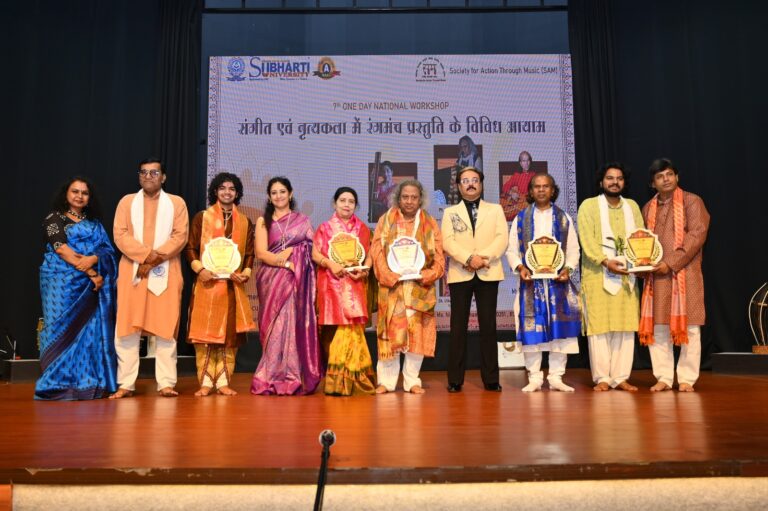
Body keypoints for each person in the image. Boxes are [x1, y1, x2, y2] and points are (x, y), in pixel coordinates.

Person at [111, 157, 189, 398]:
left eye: (154, 173)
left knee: (165, 327)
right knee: (127, 328)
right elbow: (120, 235)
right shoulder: (126, 202)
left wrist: (153, 260)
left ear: (163, 177)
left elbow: (180, 237)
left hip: (166, 271)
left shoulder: (176, 203)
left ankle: (166, 382)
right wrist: (145, 258)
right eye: (144, 172)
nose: (148, 176)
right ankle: (126, 383)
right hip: (133, 272)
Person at [35, 177, 118, 400]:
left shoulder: (95, 225)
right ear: (66, 194)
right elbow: (61, 249)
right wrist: (90, 272)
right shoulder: (54, 218)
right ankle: (55, 383)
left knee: (88, 334)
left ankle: (86, 382)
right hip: (60, 282)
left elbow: (107, 252)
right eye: (75, 191)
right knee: (59, 330)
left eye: (84, 193)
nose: (79, 196)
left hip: (89, 284)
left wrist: (93, 259)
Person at [506, 172, 581, 392]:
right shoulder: (521, 218)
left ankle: (556, 377)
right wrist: (520, 268)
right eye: (537, 186)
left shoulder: (563, 218)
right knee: (531, 326)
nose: (541, 190)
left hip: (558, 283)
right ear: (530, 191)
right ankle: (535, 377)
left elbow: (574, 250)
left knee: (560, 329)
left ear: (552, 190)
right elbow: (512, 250)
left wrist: (568, 269)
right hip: (531, 284)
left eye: (545, 186)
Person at [640, 158, 709, 392]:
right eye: (660, 176)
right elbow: (641, 243)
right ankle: (664, 377)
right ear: (653, 183)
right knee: (658, 326)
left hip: (684, 274)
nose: (666, 179)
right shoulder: (647, 209)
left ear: (677, 177)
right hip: (656, 277)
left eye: (669, 174)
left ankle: (687, 378)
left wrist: (669, 263)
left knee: (689, 326)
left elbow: (696, 236)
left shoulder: (692, 201)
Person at [370, 180, 444, 394]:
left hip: (419, 288)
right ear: (398, 198)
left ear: (420, 199)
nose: (409, 201)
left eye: (414, 197)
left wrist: (425, 275)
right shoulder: (386, 220)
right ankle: (386, 381)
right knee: (390, 335)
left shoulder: (430, 223)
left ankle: (412, 381)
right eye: (405, 197)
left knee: (415, 335)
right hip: (392, 288)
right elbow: (377, 252)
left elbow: (439, 257)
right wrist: (389, 275)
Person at [185, 173, 255, 397]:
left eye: (231, 189)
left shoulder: (244, 222)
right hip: (207, 285)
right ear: (215, 191)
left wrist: (246, 272)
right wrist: (200, 270)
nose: (227, 192)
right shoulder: (202, 218)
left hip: (232, 287)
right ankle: (205, 382)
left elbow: (250, 253)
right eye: (222, 188)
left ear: (237, 193)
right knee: (205, 336)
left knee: (228, 337)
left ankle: (223, 381)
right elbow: (190, 248)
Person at [251, 177, 321, 395]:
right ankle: (268, 375)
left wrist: (296, 257)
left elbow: (313, 250)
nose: (278, 196)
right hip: (271, 279)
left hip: (296, 280)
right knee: (273, 328)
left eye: (282, 191)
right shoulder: (264, 221)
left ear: (290, 194)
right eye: (274, 192)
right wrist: (287, 260)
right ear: (269, 197)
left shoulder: (302, 220)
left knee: (290, 326)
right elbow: (261, 253)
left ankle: (291, 376)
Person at [577, 162, 644, 392]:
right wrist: (606, 261)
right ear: (601, 182)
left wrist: (638, 260)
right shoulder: (589, 206)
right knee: (599, 329)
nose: (615, 182)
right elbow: (586, 240)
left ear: (624, 183)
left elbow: (640, 238)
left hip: (626, 274)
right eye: (609, 178)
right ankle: (602, 378)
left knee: (625, 327)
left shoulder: (632, 207)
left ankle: (621, 377)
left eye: (619, 178)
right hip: (597, 275)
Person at [441, 167, 509, 392]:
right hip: (461, 272)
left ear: (481, 183)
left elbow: (502, 239)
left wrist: (483, 258)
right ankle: (455, 379)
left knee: (488, 325)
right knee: (457, 326)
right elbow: (448, 242)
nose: (470, 184)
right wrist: (469, 258)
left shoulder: (496, 209)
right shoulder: (450, 212)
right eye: (465, 181)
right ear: (459, 186)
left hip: (488, 271)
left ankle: (491, 379)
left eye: (474, 180)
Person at [312, 187, 376, 396]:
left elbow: (369, 255)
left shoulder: (363, 229)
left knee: (352, 331)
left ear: (356, 206)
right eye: (342, 200)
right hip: (331, 284)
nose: (346, 204)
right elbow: (315, 254)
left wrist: (364, 271)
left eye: (351, 201)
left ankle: (352, 380)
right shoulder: (324, 228)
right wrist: (330, 264)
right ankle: (337, 381)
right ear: (334, 204)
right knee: (333, 333)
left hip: (355, 284)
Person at [501, 151, 535, 220]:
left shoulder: (534, 175)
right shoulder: (517, 176)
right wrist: (512, 193)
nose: (526, 163)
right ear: (520, 163)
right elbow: (505, 187)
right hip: (520, 201)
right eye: (524, 161)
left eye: (528, 160)